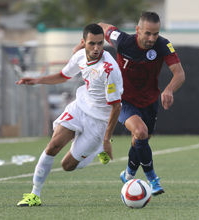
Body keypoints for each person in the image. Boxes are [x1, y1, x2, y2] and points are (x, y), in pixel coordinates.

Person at [74, 11, 185, 196]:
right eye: (147, 33)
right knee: (140, 132)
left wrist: (169, 89)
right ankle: (153, 180)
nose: (152, 38)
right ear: (137, 30)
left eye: (155, 34)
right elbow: (101, 25)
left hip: (149, 101)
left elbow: (179, 73)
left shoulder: (164, 45)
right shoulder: (123, 41)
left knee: (140, 140)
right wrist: (82, 44)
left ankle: (128, 174)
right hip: (123, 100)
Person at [16, 23, 123, 207]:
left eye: (100, 44)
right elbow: (63, 76)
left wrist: (106, 140)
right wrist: (37, 80)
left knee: (67, 166)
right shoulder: (80, 56)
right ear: (84, 42)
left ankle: (96, 149)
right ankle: (35, 194)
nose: (96, 48)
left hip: (99, 122)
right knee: (53, 145)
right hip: (80, 108)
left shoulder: (109, 69)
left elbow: (116, 107)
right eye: (92, 44)